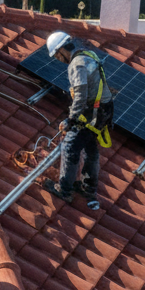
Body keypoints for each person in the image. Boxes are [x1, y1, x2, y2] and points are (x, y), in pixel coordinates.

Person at [42, 30, 114, 211]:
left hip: (93, 112)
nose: (58, 59)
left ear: (61, 50)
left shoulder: (76, 64)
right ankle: (88, 188)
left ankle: (64, 189)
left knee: (70, 146)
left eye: (57, 56)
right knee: (90, 147)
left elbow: (81, 95)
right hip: (105, 109)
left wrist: (71, 119)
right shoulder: (87, 54)